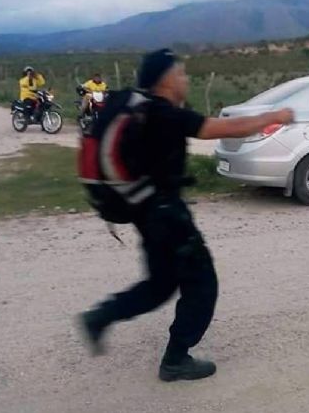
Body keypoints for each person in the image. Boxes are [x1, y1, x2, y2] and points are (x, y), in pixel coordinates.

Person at [77, 49, 294, 382]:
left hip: (145, 211)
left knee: (161, 284)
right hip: (167, 215)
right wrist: (273, 116)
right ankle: (176, 358)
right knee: (202, 284)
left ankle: (101, 316)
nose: (185, 79)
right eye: (181, 73)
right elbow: (225, 127)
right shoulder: (163, 114)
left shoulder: (142, 112)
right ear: (166, 79)